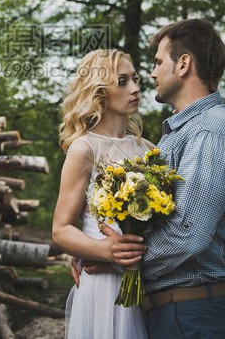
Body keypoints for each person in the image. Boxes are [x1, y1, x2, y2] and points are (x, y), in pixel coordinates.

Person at [75, 19, 225, 338]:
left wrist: (115, 261)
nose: (152, 74)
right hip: (174, 311)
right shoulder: (178, 134)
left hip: (195, 314)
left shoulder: (210, 132)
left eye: (158, 62)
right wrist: (91, 246)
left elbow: (187, 234)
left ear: (183, 64)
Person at [52, 49, 151, 339]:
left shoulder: (148, 149)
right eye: (122, 81)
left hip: (144, 280)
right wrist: (105, 251)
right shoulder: (85, 148)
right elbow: (60, 229)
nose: (134, 88)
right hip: (103, 283)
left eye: (135, 79)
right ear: (99, 92)